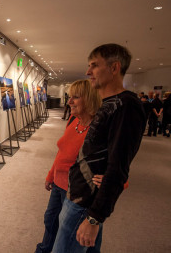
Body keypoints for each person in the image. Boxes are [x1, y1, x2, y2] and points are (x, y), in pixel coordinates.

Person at [52, 43, 145, 253]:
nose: (88, 72)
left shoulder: (126, 105)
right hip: (79, 195)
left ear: (114, 68)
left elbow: (118, 166)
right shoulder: (108, 103)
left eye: (94, 65)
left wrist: (94, 218)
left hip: (85, 202)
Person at [35, 80, 102, 253]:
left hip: (77, 192)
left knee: (72, 237)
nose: (69, 101)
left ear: (89, 99)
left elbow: (118, 164)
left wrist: (112, 181)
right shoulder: (74, 120)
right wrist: (51, 175)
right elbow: (62, 152)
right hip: (58, 184)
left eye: (75, 97)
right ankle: (43, 250)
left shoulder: (99, 129)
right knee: (50, 220)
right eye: (69, 97)